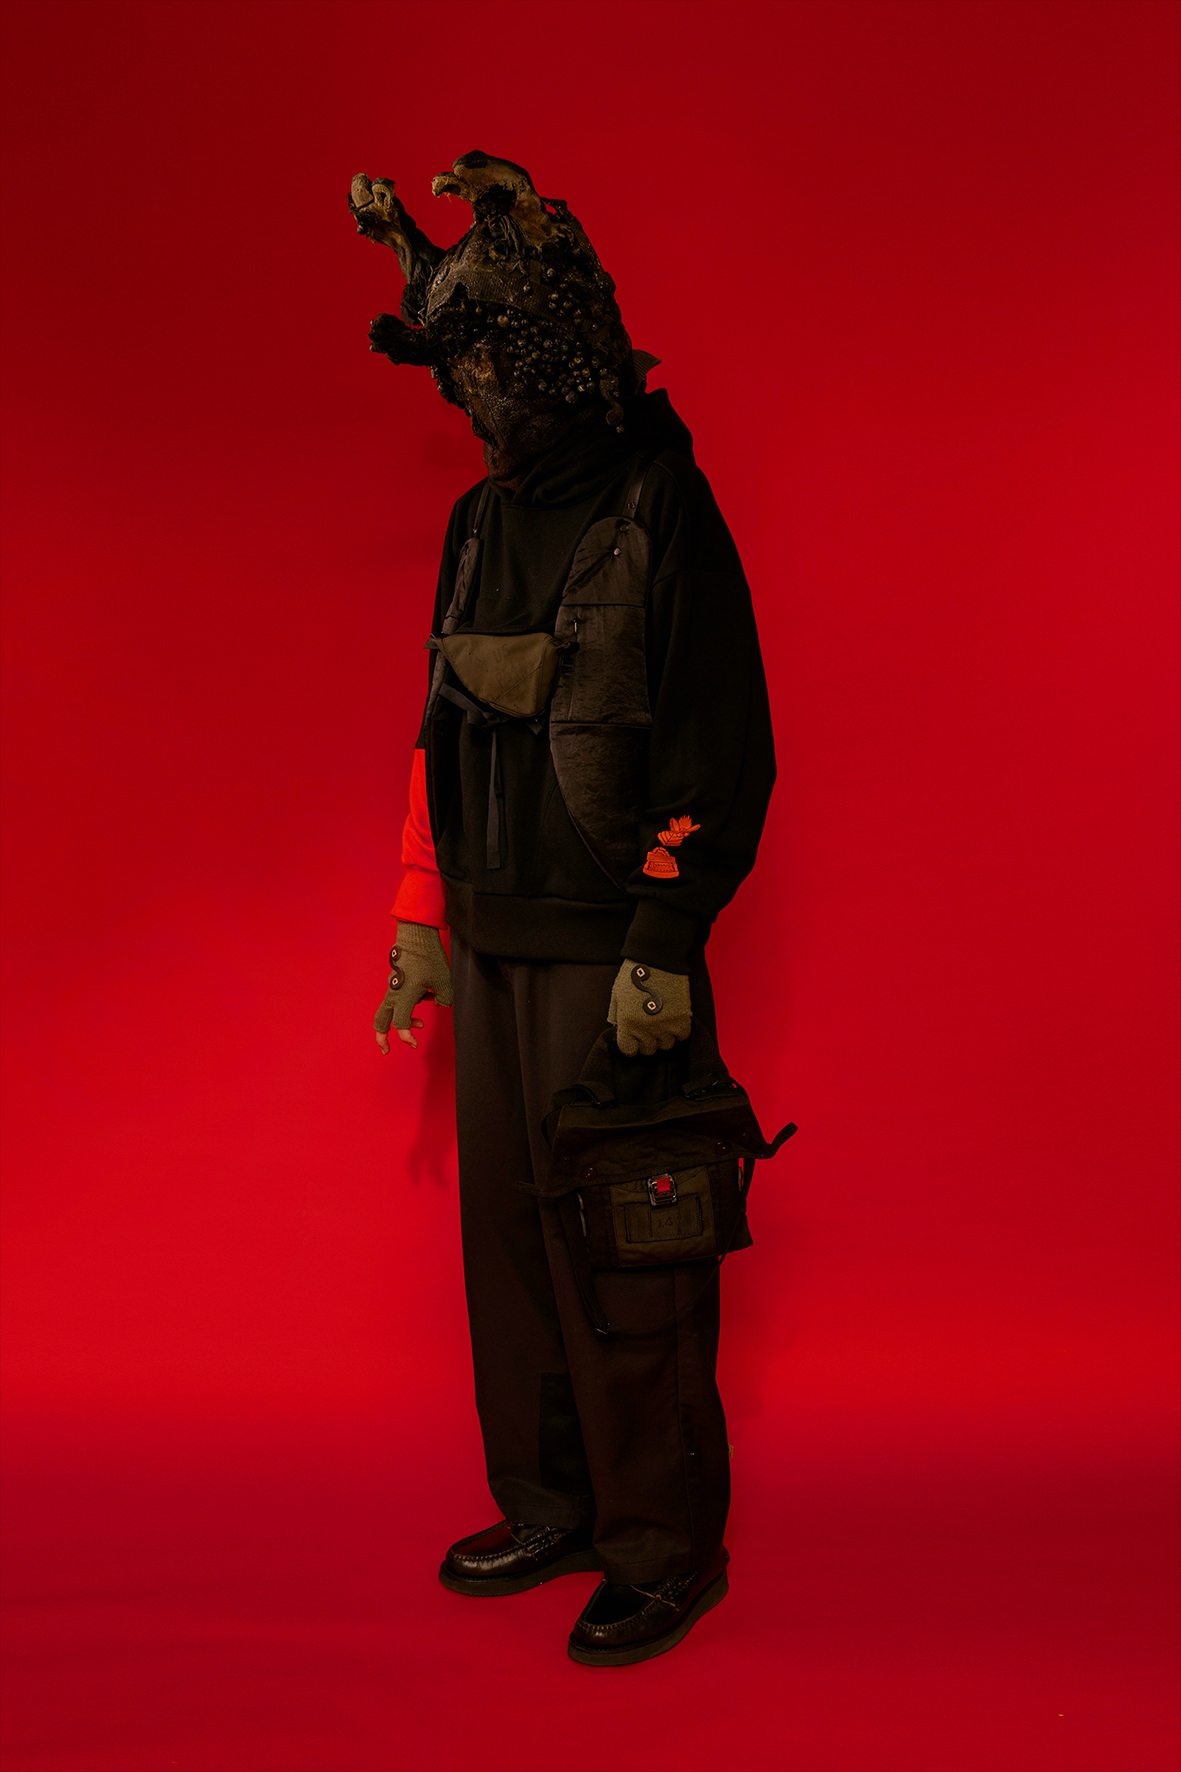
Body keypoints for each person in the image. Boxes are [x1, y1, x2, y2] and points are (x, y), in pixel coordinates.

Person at [351, 152, 775, 1665]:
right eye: (455, 370)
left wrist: (663, 944)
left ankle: (662, 1548)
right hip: (492, 947)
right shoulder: (476, 521)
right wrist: (420, 923)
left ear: (563, 360)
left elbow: (724, 748)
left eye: (489, 364)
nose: (472, 395)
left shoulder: (666, 506)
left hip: (612, 959)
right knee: (515, 1256)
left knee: (629, 1251)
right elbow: (436, 732)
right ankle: (550, 1505)